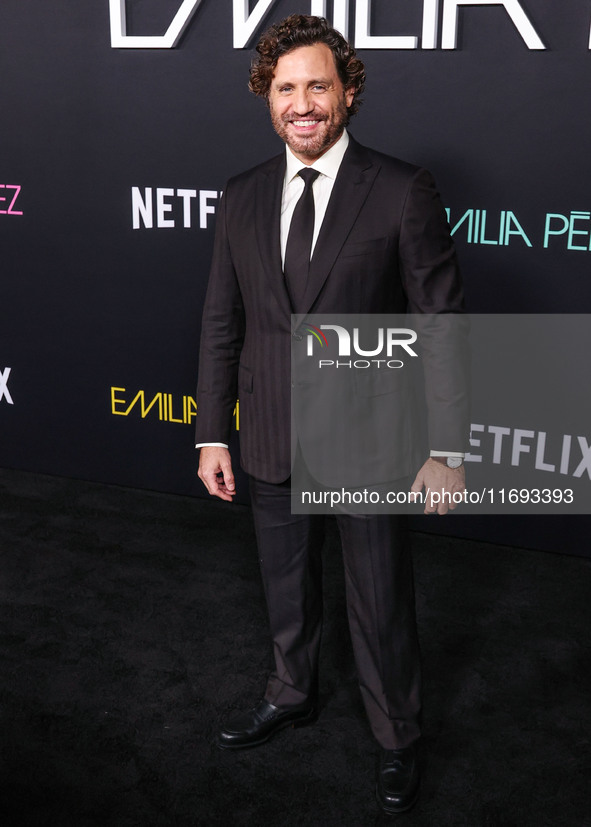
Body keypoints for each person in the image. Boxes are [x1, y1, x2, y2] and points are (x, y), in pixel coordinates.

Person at [195, 14, 468, 815]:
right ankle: (291, 690)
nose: (302, 103)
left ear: (346, 93)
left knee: (378, 601)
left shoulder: (399, 187)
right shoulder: (242, 194)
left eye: (318, 85)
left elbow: (441, 326)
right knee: (284, 586)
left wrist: (446, 447)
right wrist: (214, 431)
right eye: (285, 89)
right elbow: (222, 322)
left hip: (374, 441)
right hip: (270, 432)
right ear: (266, 98)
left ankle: (395, 734)